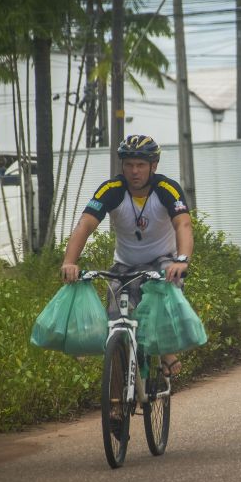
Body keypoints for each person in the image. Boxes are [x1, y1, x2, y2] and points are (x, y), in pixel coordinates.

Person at [60, 134, 193, 377]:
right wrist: (69, 262)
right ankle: (117, 396)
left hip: (161, 259)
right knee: (114, 324)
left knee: (168, 285)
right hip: (125, 264)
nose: (134, 171)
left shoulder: (166, 189)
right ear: (122, 166)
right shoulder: (112, 190)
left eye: (141, 165)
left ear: (153, 166)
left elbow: (183, 224)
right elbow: (85, 225)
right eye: (129, 164)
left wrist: (181, 260)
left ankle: (165, 350)